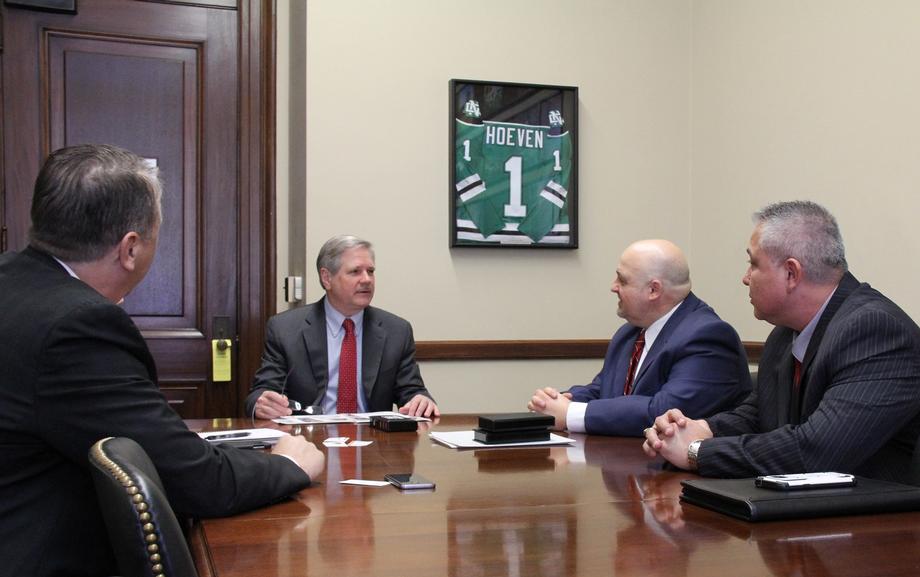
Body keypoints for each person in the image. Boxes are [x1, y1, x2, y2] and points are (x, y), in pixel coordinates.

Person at [0, 144, 325, 577]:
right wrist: (287, 464)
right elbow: (194, 481)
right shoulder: (76, 327)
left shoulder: (13, 280)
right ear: (130, 248)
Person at [644, 201, 920, 483]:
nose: (745, 278)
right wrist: (699, 429)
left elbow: (816, 451)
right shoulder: (784, 334)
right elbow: (758, 415)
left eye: (753, 264)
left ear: (791, 273)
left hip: (874, 508)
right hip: (805, 504)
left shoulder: (876, 330)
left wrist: (696, 452)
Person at [528, 239, 751, 436]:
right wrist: (561, 401)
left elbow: (664, 413)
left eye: (622, 280)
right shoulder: (630, 332)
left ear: (653, 290)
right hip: (625, 461)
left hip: (677, 468)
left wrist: (570, 414)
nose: (613, 287)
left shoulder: (708, 336)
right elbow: (603, 390)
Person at [245, 234, 439, 419]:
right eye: (355, 271)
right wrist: (262, 404)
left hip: (374, 438)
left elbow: (411, 391)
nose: (367, 279)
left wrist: (420, 399)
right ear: (327, 278)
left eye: (371, 271)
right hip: (308, 437)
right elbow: (261, 392)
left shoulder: (396, 331)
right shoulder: (285, 329)